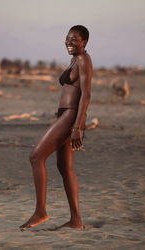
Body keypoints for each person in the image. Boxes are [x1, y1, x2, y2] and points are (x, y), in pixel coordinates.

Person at [20, 25, 93, 230]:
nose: (69, 42)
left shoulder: (84, 59)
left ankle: (40, 212)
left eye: (74, 39)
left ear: (84, 42)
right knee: (64, 167)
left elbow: (86, 94)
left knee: (36, 157)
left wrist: (78, 126)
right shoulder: (75, 59)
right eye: (67, 38)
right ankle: (76, 220)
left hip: (70, 116)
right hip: (65, 115)